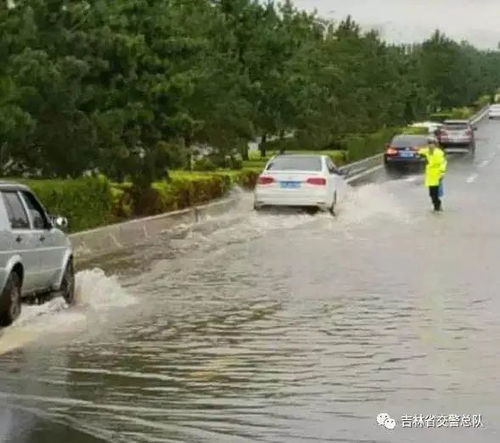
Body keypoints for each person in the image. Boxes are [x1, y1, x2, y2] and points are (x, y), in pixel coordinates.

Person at [417, 137, 447, 211]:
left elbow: (443, 163)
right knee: (431, 193)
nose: (431, 146)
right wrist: (416, 150)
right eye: (429, 144)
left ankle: (437, 206)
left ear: (435, 145)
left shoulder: (439, 153)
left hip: (437, 174)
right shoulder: (427, 151)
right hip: (430, 175)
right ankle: (436, 205)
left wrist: (442, 172)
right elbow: (420, 151)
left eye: (432, 144)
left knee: (436, 192)